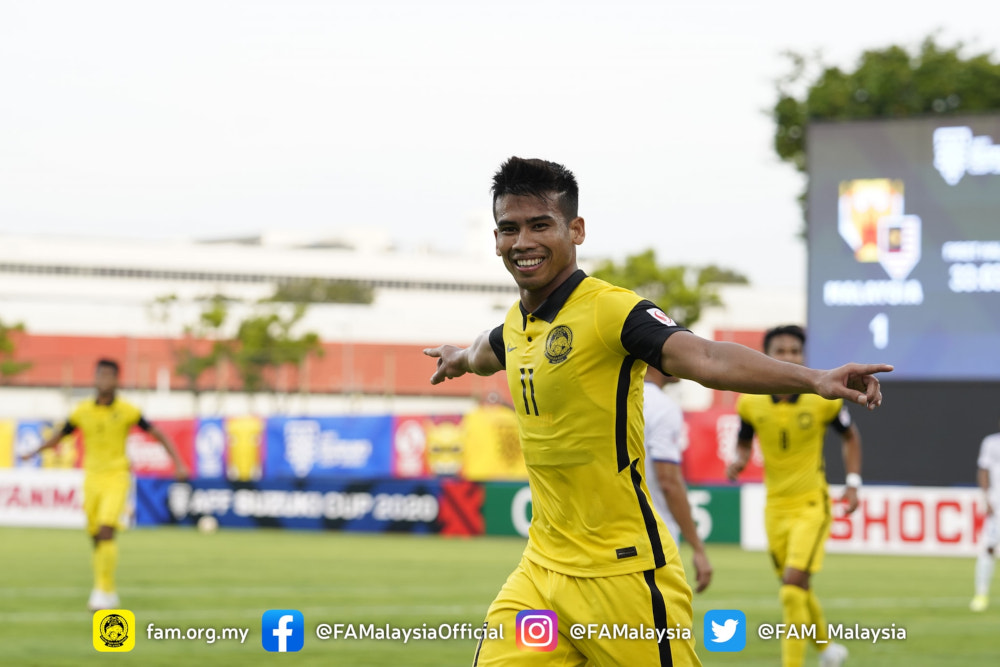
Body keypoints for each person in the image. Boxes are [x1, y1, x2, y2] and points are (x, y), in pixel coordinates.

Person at [424, 157, 890, 666]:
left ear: (575, 230)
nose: (522, 242)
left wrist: (814, 379)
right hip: (540, 571)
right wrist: (457, 360)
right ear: (495, 239)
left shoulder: (613, 311)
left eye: (541, 225)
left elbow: (706, 358)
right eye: (509, 229)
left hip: (625, 574)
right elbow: (484, 351)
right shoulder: (514, 326)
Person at [726, 325, 860, 667]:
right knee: (796, 589)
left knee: (790, 588)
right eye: (781, 351)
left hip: (811, 505)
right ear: (766, 356)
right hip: (775, 509)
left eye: (795, 352)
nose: (789, 358)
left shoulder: (821, 399)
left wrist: (853, 482)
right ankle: (828, 651)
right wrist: (739, 460)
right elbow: (744, 439)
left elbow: (850, 436)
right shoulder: (751, 402)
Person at [21, 358, 189, 611]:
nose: (105, 380)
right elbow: (61, 434)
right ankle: (105, 588)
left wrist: (178, 463)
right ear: (95, 378)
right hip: (92, 479)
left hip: (117, 477)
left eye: (110, 376)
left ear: (117, 380)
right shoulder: (82, 411)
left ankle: (103, 591)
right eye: (101, 375)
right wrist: (34, 451)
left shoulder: (128, 410)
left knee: (106, 529)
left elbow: (158, 433)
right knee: (95, 537)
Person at [643, 366, 712, 594]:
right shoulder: (661, 406)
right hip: (652, 539)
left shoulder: (608, 399)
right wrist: (698, 548)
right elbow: (668, 482)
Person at [970, 420, 1000, 612]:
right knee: (988, 547)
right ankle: (981, 594)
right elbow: (983, 470)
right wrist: (986, 497)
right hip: (997, 504)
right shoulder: (991, 443)